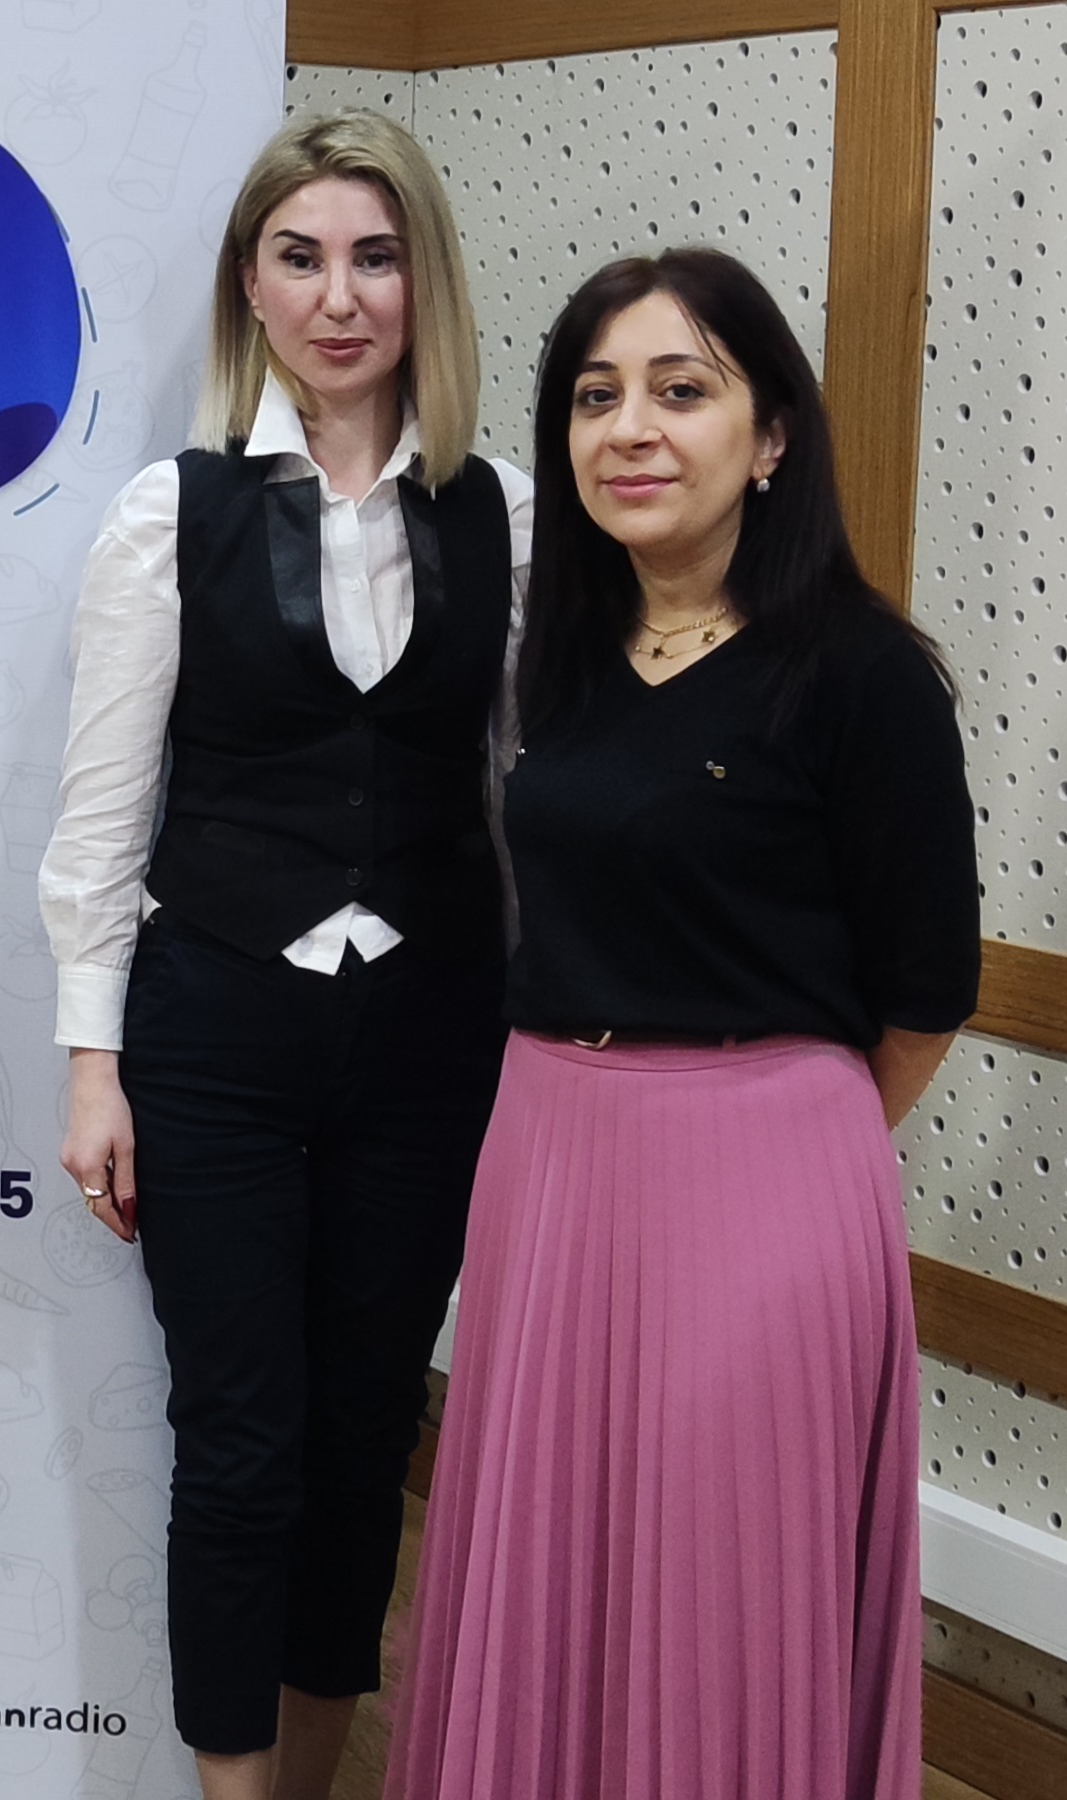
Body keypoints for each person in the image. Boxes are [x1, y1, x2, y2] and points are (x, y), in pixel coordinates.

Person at [387, 248, 974, 1800]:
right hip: (547, 1167)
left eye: (681, 389)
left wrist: (773, 1139)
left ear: (771, 436)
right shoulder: (558, 662)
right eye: (596, 398)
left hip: (763, 1184)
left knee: (723, 1597)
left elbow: (925, 995)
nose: (630, 429)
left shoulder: (862, 674)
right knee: (543, 1572)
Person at [40, 111, 530, 1800]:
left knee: (366, 1434)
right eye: (300, 257)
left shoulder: (506, 518)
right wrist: (93, 1068)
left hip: (432, 1039)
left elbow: (526, 794)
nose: (340, 298)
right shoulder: (164, 518)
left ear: (424, 281)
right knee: (239, 1443)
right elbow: (103, 820)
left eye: (375, 258)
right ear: (249, 287)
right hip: (216, 1041)